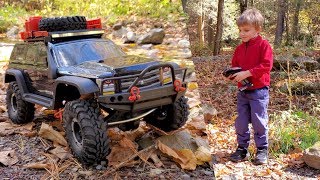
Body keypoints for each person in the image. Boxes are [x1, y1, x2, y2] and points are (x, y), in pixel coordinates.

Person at [226, 8, 273, 165]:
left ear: (257, 29)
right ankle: (242, 149)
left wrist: (248, 73)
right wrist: (232, 73)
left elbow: (266, 66)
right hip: (243, 91)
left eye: (246, 30)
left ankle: (262, 150)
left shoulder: (264, 45)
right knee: (241, 120)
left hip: (259, 91)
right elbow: (236, 65)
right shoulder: (239, 48)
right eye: (240, 30)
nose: (242, 33)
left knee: (259, 120)